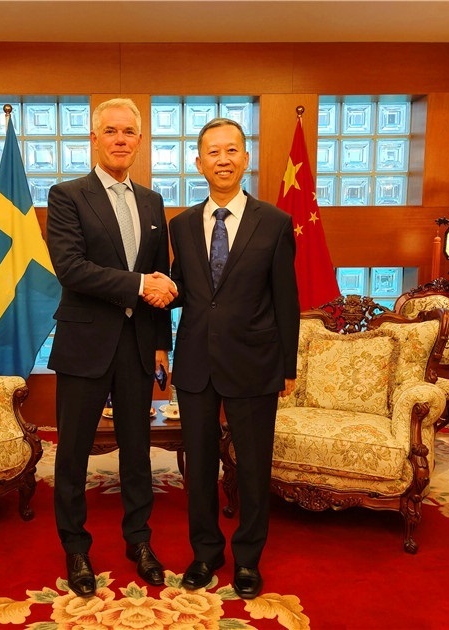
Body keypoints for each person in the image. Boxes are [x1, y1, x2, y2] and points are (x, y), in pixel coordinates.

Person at [46, 98, 177, 598]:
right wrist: (140, 284)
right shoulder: (67, 195)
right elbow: (71, 268)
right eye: (110, 131)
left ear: (139, 141)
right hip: (85, 342)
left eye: (129, 132)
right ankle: (76, 547)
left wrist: (162, 344)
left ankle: (138, 541)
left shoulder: (152, 201)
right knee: (73, 452)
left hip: (138, 345)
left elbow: (160, 275)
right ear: (95, 138)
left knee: (138, 450)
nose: (120, 139)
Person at [167, 117, 300, 599]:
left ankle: (248, 558)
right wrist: (150, 291)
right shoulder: (181, 225)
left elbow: (285, 299)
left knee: (253, 467)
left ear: (245, 159)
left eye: (231, 151)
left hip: (255, 362)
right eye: (213, 152)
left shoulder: (275, 222)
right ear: (198, 162)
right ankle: (205, 553)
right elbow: (182, 289)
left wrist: (288, 367)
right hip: (196, 363)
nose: (222, 160)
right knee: (199, 466)